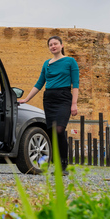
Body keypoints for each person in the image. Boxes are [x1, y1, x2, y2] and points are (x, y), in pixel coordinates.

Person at [17, 35, 79, 174]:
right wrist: (26, 98)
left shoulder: (70, 61)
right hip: (49, 99)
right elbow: (40, 83)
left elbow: (75, 84)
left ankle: (64, 164)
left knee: (59, 130)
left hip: (64, 98)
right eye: (50, 45)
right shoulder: (46, 63)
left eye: (55, 44)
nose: (53, 46)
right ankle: (58, 165)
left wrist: (74, 103)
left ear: (61, 45)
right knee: (52, 132)